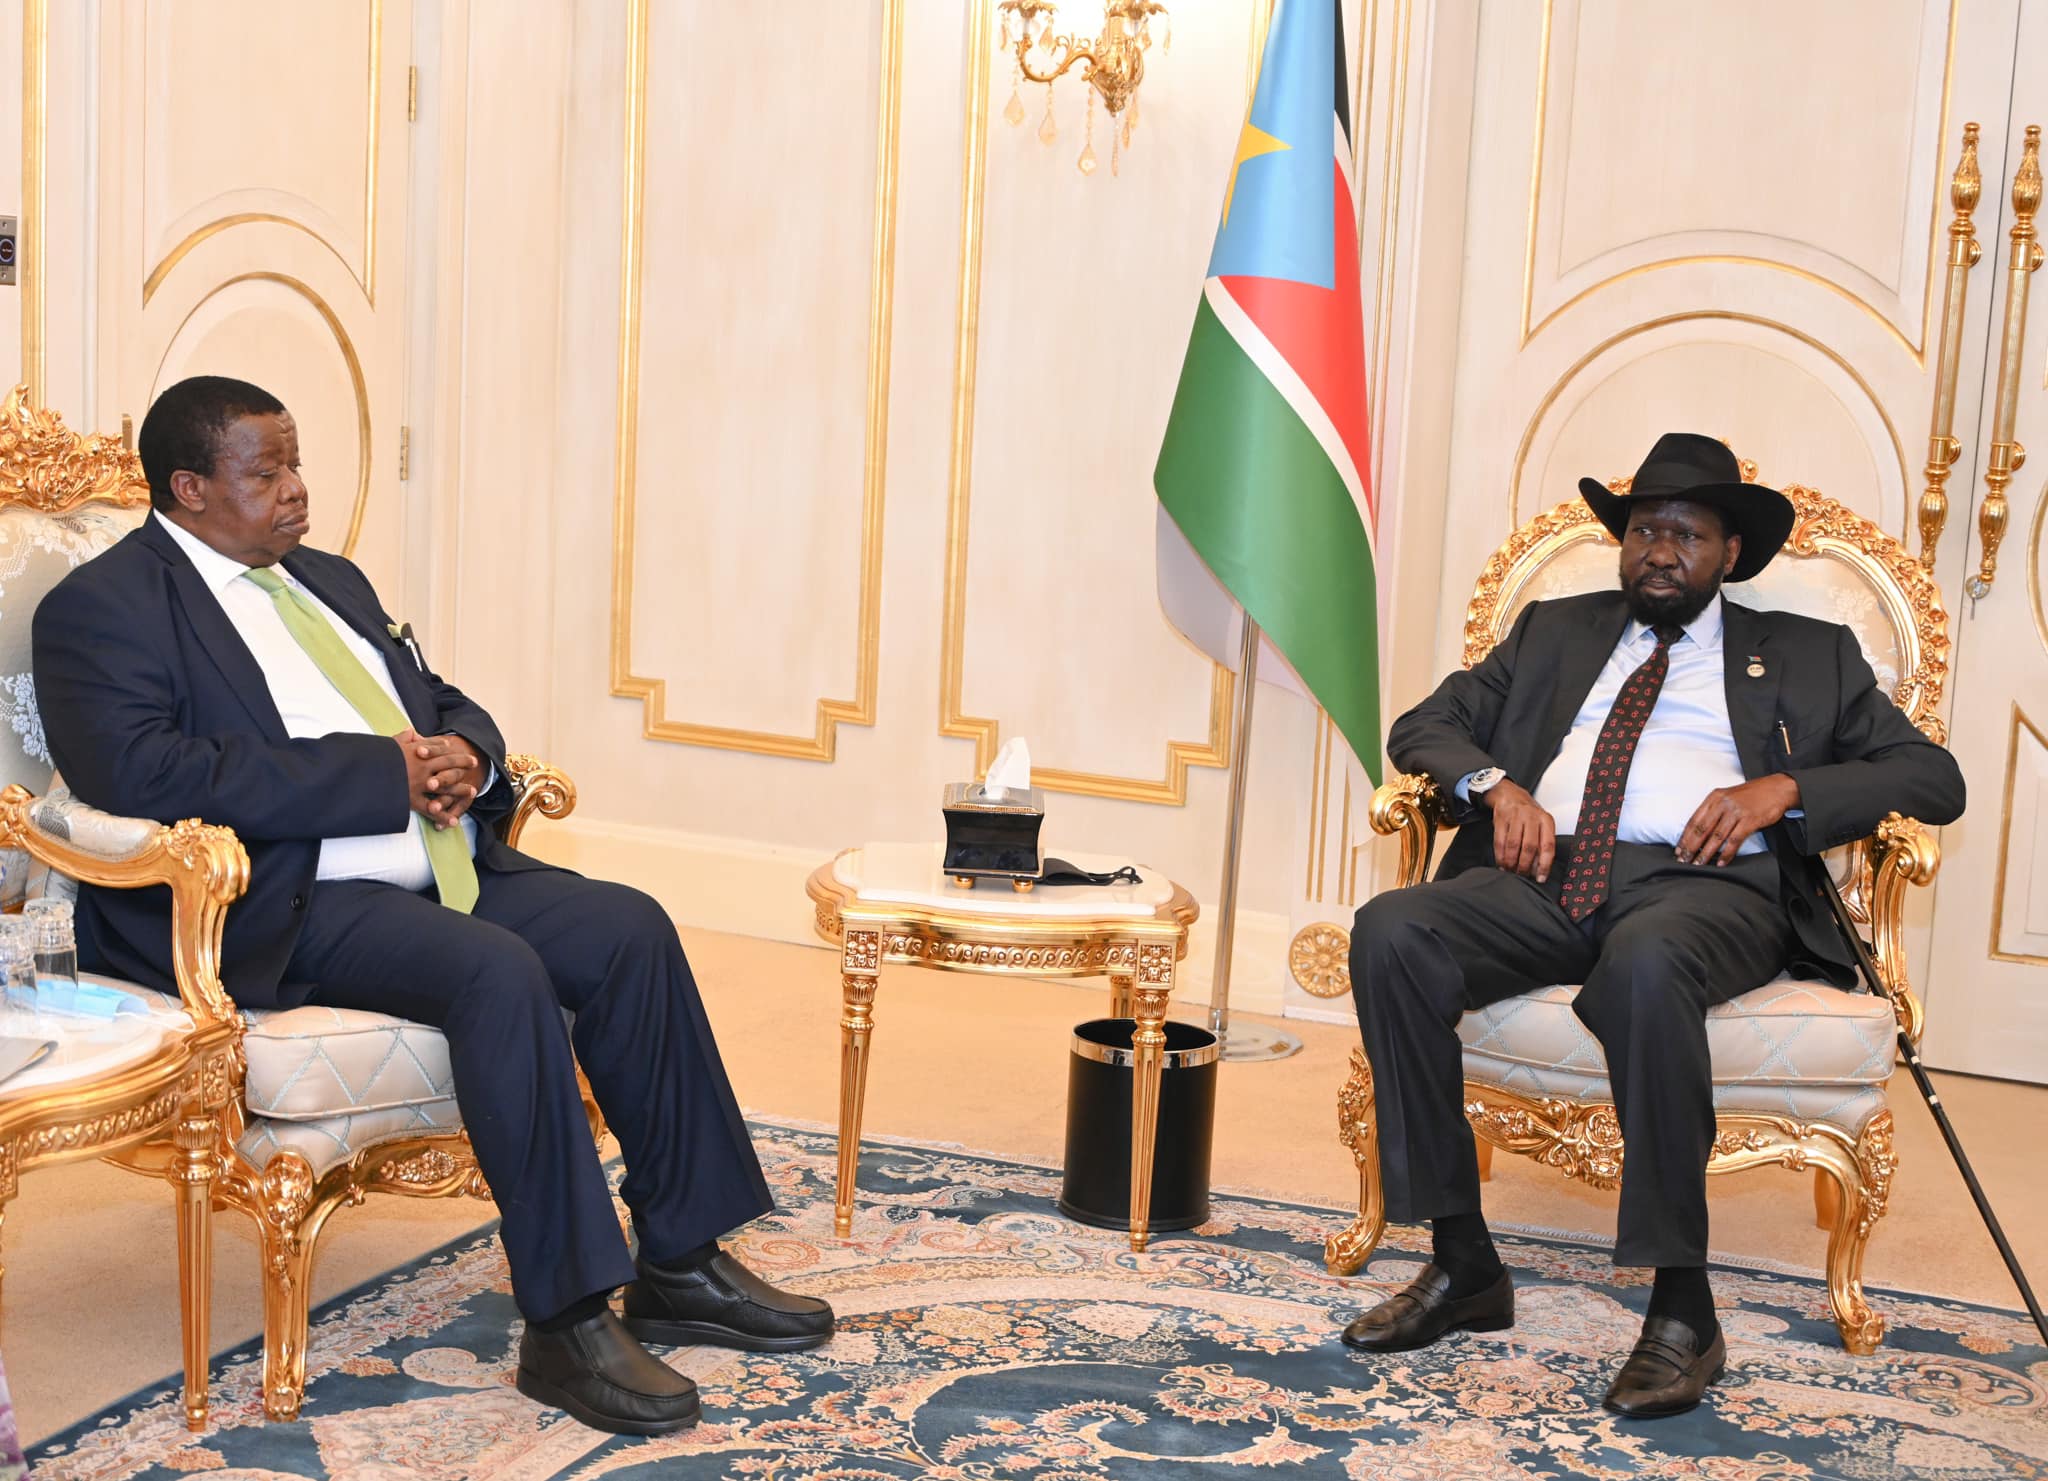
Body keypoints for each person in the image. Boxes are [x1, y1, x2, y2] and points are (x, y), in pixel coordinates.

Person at [31, 376, 833, 1437]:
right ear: (187, 488)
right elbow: (140, 769)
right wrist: (378, 775)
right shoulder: (103, 608)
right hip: (289, 893)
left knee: (628, 924)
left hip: (440, 856)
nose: (296, 491)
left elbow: (436, 697)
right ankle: (565, 1319)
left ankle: (681, 1258)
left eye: (296, 462)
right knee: (497, 970)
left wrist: (466, 753)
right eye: (264, 472)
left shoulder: (327, 578)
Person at [1342, 432, 1965, 1418]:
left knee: (1644, 960)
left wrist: (1781, 789)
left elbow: (1932, 778)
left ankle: (1682, 1307)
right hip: (1544, 872)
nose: (1657, 551)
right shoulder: (1552, 630)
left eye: (1684, 533)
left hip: (1703, 887)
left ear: (1727, 554)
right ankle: (1462, 1261)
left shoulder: (1806, 654)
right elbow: (1422, 723)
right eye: (1641, 530)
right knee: (1390, 928)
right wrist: (1495, 785)